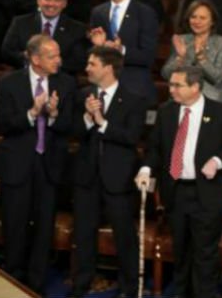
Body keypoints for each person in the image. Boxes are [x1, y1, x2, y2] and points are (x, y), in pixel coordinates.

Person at [135, 65, 222, 298]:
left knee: (205, 253)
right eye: (170, 84)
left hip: (208, 193)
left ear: (195, 87)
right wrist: (145, 169)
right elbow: (155, 148)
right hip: (176, 192)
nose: (170, 89)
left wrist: (216, 161)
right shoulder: (166, 112)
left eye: (177, 85)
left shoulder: (221, 112)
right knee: (181, 251)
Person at [0, 34, 75, 293]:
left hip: (50, 165)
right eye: (52, 56)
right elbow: (4, 124)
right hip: (17, 165)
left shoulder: (66, 83)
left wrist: (53, 114)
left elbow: (69, 125)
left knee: (44, 229)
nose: (58, 60)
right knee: (15, 224)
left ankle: (36, 284)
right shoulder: (10, 83)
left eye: (58, 55)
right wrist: (32, 113)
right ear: (35, 59)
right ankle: (12, 282)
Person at [71, 46, 145, 298]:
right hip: (86, 177)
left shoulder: (134, 99)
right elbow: (72, 131)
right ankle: (81, 285)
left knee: (124, 236)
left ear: (108, 68)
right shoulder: (83, 95)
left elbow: (131, 137)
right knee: (83, 235)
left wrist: (102, 122)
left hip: (118, 179)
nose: (87, 68)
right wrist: (87, 118)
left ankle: (128, 288)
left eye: (92, 64)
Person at [90, 0, 157, 104]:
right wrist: (99, 47)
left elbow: (148, 56)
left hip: (134, 85)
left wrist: (122, 50)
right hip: (104, 85)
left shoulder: (145, 13)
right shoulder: (98, 12)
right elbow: (93, 55)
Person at [1, 0, 88, 75]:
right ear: (38, 0)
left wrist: (49, 63)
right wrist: (29, 58)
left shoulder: (77, 28)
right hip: (25, 77)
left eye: (57, 0)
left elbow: (78, 61)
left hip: (60, 79)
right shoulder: (20, 22)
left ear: (64, 3)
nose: (51, 4)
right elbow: (7, 52)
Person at [162, 0, 222, 105]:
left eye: (202, 18)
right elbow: (166, 74)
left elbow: (218, 78)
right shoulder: (181, 40)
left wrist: (201, 58)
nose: (197, 21)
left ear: (212, 21)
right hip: (182, 98)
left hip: (212, 100)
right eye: (193, 17)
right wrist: (180, 58)